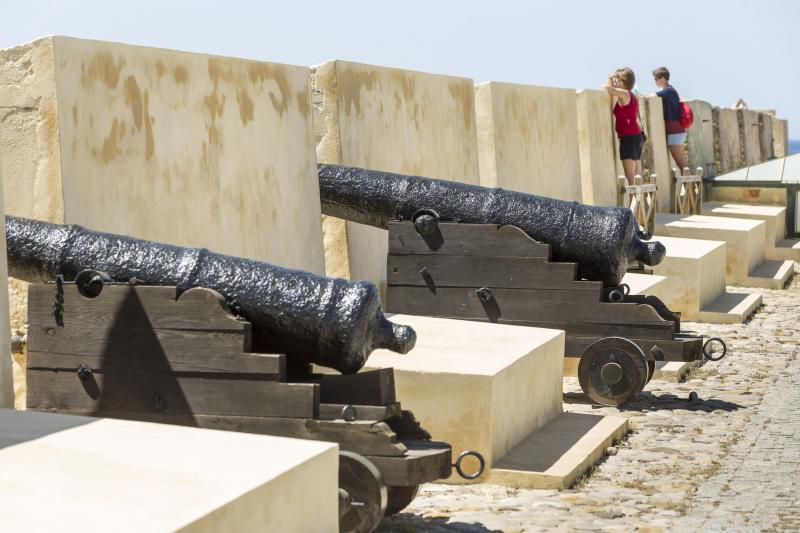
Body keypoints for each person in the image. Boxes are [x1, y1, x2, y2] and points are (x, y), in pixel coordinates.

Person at [603, 67, 643, 184]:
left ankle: (634, 202)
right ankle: (639, 201)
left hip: (629, 138)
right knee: (636, 175)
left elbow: (606, 88)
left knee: (630, 176)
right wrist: (614, 79)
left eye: (617, 80)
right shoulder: (631, 95)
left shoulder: (624, 93)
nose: (615, 82)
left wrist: (610, 79)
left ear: (623, 82)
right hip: (636, 136)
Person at [650, 67, 688, 170]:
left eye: (655, 79)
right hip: (676, 130)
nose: (655, 81)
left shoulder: (668, 91)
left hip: (674, 131)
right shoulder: (670, 90)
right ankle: (691, 185)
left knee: (682, 164)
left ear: (662, 78)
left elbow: (653, 96)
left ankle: (693, 186)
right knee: (682, 164)